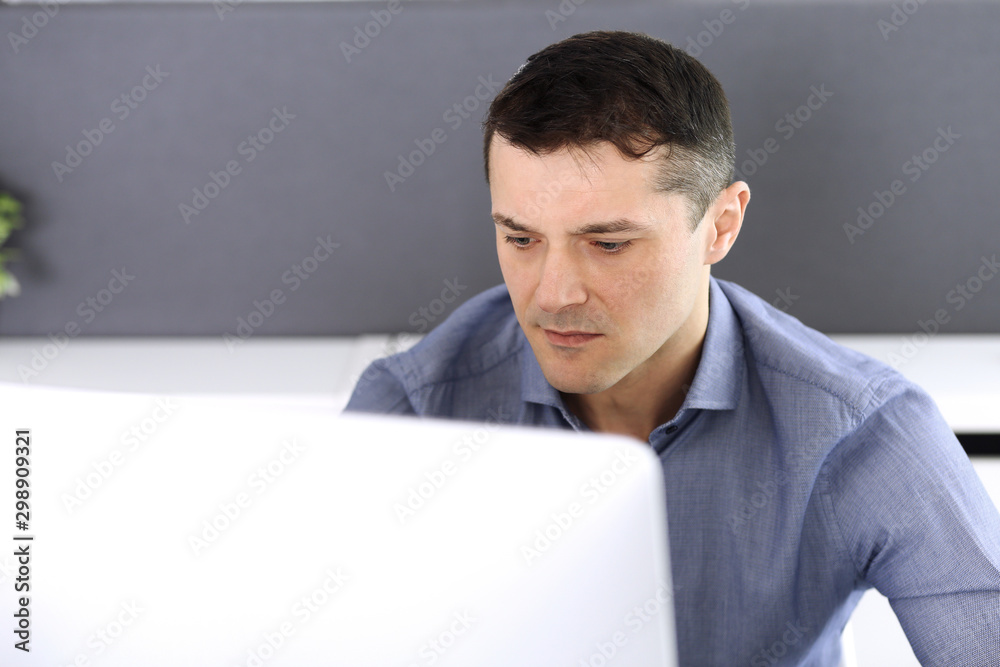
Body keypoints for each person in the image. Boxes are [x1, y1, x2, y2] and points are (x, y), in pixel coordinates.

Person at [346, 30, 1000, 665]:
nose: (553, 294)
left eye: (607, 244)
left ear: (721, 225)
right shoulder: (412, 409)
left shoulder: (865, 431)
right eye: (521, 238)